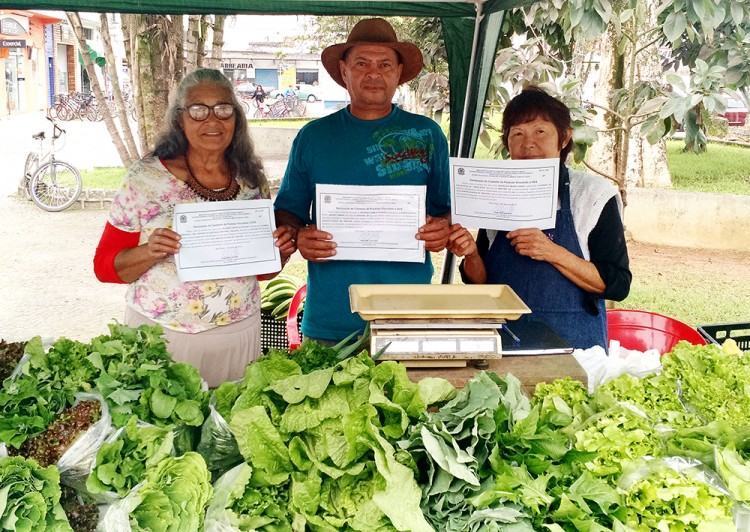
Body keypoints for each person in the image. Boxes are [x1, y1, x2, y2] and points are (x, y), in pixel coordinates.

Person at [93, 68, 296, 386]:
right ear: (179, 119)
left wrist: (280, 253)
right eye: (198, 110)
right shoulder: (145, 179)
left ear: (236, 118)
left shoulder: (251, 181)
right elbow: (104, 267)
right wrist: (150, 251)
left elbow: (260, 271)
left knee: (230, 429)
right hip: (163, 339)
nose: (212, 120)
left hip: (239, 335)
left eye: (224, 109)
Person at [274, 18, 451, 343]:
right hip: (330, 319)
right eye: (362, 63)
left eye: (385, 64)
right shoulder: (313, 138)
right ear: (344, 71)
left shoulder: (426, 135)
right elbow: (287, 211)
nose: (373, 73)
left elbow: (448, 211)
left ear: (398, 73)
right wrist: (299, 235)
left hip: (405, 318)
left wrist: (442, 228)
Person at [448, 87, 631, 349]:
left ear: (565, 137)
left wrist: (550, 251)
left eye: (540, 132)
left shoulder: (593, 195)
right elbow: (482, 283)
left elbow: (617, 285)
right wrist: (471, 255)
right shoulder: (496, 192)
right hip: (502, 341)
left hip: (575, 347)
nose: (528, 144)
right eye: (517, 133)